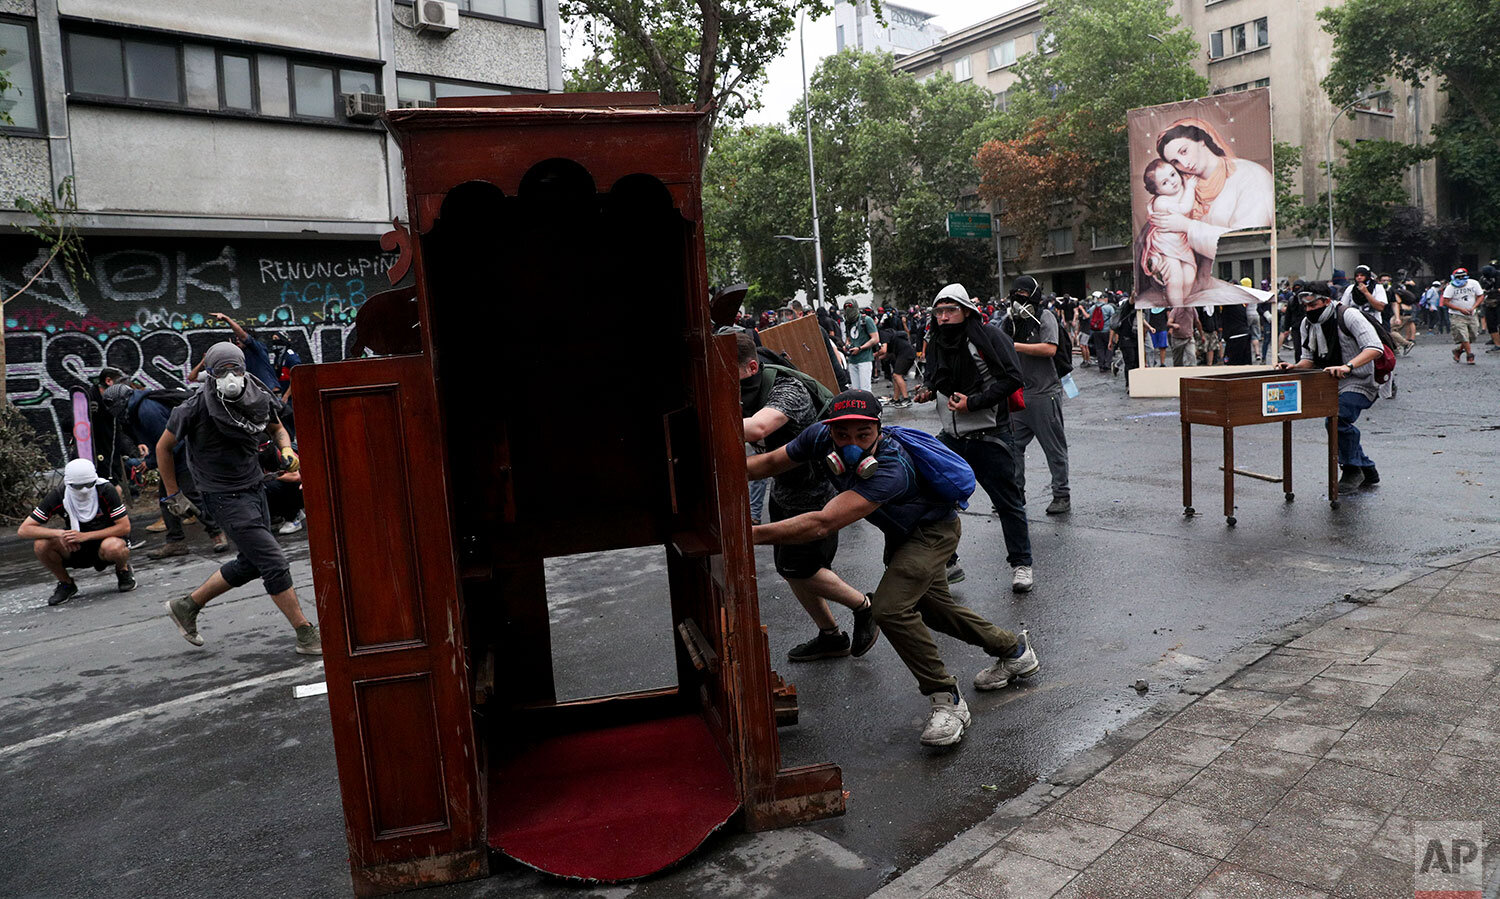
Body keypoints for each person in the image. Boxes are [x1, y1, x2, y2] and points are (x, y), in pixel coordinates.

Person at [747, 390, 1040, 747]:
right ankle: (1015, 652)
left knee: (889, 608)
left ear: (878, 430)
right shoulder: (819, 437)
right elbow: (768, 464)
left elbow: (823, 523)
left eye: (862, 435)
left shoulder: (890, 467)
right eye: (842, 435)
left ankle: (947, 700)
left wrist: (747, 536)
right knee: (934, 610)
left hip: (933, 532)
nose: (850, 445)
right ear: (829, 429)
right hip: (902, 535)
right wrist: (718, 471)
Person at [158, 343, 321, 655]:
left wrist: (286, 448)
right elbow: (163, 447)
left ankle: (186, 606)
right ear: (211, 373)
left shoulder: (256, 395)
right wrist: (172, 495)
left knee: (251, 562)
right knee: (273, 562)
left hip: (254, 486)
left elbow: (277, 429)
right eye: (222, 371)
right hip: (221, 495)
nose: (231, 377)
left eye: (236, 369)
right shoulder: (194, 408)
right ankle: (305, 632)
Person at [737, 333, 878, 662]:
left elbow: (758, 428)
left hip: (816, 493)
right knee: (790, 569)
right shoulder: (746, 388)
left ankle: (865, 608)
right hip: (785, 489)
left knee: (806, 568)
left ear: (752, 367)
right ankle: (830, 635)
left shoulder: (787, 389)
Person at [916, 284, 1035, 592]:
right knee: (930, 494)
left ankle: (1021, 565)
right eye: (939, 311)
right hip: (952, 437)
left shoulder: (989, 338)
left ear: (966, 310)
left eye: (950, 310)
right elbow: (934, 375)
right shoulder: (937, 341)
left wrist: (973, 403)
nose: (943, 317)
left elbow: (1012, 379)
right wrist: (928, 389)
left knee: (1008, 503)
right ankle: (949, 562)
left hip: (989, 435)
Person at [101, 382, 230, 558]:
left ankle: (217, 533)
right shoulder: (136, 410)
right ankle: (176, 542)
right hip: (171, 456)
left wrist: (151, 461)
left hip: (182, 454)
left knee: (191, 496)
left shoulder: (146, 411)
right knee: (168, 499)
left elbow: (171, 443)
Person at [1277, 284, 1384, 487]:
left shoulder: (1349, 315)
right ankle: (1367, 468)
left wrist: (1348, 366)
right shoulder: (1307, 324)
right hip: (1331, 383)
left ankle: (1352, 469)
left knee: (1337, 419)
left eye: (1313, 305)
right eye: (1305, 307)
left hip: (1360, 380)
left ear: (1326, 301)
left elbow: (1374, 347)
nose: (1309, 310)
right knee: (1337, 420)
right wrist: (1293, 367)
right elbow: (1308, 359)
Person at [1150, 121, 1274, 262]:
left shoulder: (1250, 175)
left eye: (1184, 151)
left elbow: (1249, 240)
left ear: (1201, 140)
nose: (1184, 164)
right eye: (1175, 162)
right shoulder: (1181, 190)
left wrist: (1187, 226)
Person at [19, 458, 136, 606]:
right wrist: (61, 534)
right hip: (75, 545)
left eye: (89, 485)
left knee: (114, 547)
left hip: (104, 541)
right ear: (68, 484)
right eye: (78, 486)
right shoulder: (59, 495)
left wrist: (85, 536)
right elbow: (24, 529)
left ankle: (123, 570)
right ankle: (66, 583)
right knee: (41, 544)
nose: (84, 490)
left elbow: (124, 527)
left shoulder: (106, 490)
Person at [1001, 277, 1071, 515]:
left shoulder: (1044, 317)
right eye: (1015, 293)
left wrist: (1015, 346)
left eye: (1023, 293)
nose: (1018, 298)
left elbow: (1050, 348)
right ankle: (1015, 495)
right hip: (1019, 395)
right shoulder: (1009, 322)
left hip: (1044, 394)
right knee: (1012, 448)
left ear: (1033, 295)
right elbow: (998, 346)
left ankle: (1061, 495)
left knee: (1054, 449)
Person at [1140, 159, 1199, 305]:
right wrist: (1190, 187)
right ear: (1157, 190)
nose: (1172, 182)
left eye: (1173, 175)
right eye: (1164, 182)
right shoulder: (1161, 202)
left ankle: (1181, 303)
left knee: (1190, 274)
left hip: (1181, 242)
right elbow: (1184, 208)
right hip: (1166, 245)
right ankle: (1176, 307)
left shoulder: (1179, 190)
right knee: (1175, 277)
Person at [1442, 267, 1485, 364]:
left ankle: (1458, 350)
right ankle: (1470, 355)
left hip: (1472, 314)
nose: (1461, 279)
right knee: (1463, 335)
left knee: (1472, 335)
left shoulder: (1474, 283)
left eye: (1463, 277)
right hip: (1457, 315)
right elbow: (1445, 301)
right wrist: (1460, 309)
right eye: (1458, 277)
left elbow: (1480, 296)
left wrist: (1474, 307)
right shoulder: (1451, 287)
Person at [840, 301, 880, 392]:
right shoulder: (848, 322)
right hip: (852, 360)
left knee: (865, 390)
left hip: (864, 359)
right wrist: (846, 346)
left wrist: (860, 348)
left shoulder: (866, 320)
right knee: (855, 391)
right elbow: (848, 338)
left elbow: (875, 338)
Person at [876, 323, 917, 407]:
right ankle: (896, 399)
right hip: (905, 353)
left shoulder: (882, 334)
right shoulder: (888, 334)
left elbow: (883, 350)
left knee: (897, 375)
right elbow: (887, 353)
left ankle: (906, 399)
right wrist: (875, 358)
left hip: (906, 354)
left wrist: (873, 355)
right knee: (895, 376)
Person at [1088, 292, 1115, 372]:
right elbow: (1113, 320)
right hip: (1107, 331)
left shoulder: (1093, 308)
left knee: (1099, 348)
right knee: (1109, 347)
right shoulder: (1109, 307)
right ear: (1105, 299)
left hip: (1096, 331)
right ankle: (1107, 364)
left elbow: (1090, 318)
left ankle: (1101, 365)